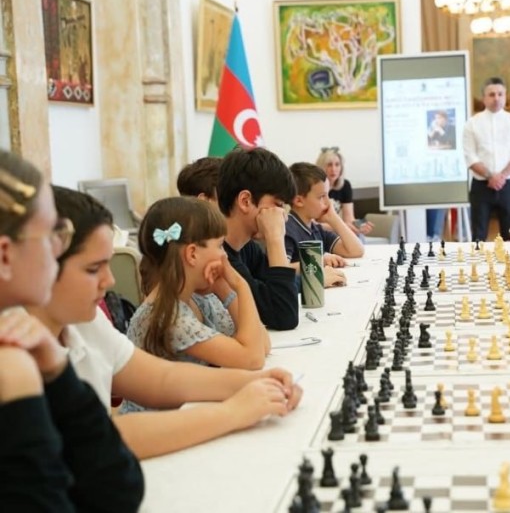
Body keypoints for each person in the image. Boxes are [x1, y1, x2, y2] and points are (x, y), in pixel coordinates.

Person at [25, 186, 302, 458]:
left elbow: (162, 378)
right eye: (93, 268)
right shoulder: (20, 353)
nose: (110, 281)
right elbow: (100, 438)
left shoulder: (85, 321)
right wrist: (233, 411)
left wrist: (257, 380)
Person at [0, 150, 144, 510]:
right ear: (5, 255)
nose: (59, 249)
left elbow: (119, 490)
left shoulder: (31, 347)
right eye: (54, 235)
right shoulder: (11, 367)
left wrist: (59, 373)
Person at [130, 196, 269, 370]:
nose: (224, 255)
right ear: (192, 254)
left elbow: (262, 344)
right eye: (219, 245)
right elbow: (253, 359)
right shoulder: (167, 317)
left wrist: (224, 290)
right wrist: (241, 286)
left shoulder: (198, 299)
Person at [217, 146, 300, 330]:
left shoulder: (246, 247)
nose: (283, 216)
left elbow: (279, 287)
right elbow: (284, 315)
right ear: (245, 201)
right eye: (278, 205)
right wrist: (275, 238)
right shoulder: (220, 257)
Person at [463, 76, 510, 241]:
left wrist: (501, 176)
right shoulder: (472, 123)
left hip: (508, 185)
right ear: (483, 98)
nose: (496, 98)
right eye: (491, 94)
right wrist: (490, 176)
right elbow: (470, 157)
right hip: (481, 186)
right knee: (478, 236)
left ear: (505, 96)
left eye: (500, 94)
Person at [285, 163, 363, 287]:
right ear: (299, 200)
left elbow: (356, 251)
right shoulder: (286, 229)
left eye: (328, 195)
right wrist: (317, 261)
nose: (328, 202)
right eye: (321, 197)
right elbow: (282, 270)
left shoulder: (315, 229)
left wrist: (334, 219)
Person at [316, 147, 374, 239]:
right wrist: (341, 226)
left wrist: (359, 226)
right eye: (329, 165)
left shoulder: (345, 186)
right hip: (318, 231)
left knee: (358, 237)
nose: (333, 169)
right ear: (321, 167)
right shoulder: (314, 187)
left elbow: (349, 219)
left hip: (336, 230)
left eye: (337, 165)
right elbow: (312, 224)